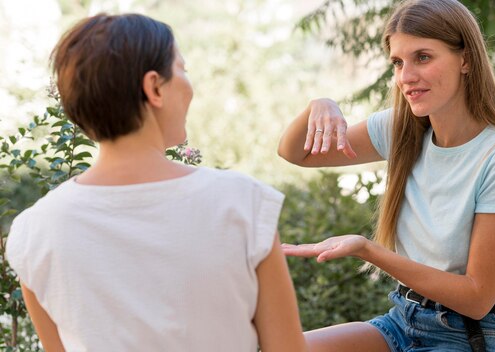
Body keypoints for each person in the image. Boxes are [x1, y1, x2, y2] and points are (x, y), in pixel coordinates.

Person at [6, 13, 307, 352]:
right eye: (182, 69)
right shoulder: (242, 203)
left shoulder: (33, 232)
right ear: (154, 87)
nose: (189, 85)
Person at [278, 0, 495, 351]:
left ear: (466, 60)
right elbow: (296, 153)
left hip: (479, 333)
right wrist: (319, 105)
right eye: (398, 63)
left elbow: (477, 297)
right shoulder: (400, 130)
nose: (406, 76)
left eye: (423, 57)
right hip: (405, 320)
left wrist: (367, 250)